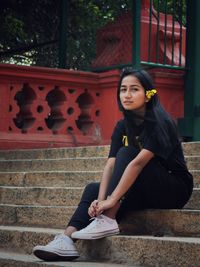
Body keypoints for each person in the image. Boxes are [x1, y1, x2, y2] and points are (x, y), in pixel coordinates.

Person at [33, 68, 193, 261]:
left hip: (174, 189)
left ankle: (108, 218)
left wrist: (111, 202)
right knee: (93, 188)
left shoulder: (161, 122)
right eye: (123, 89)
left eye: (134, 89)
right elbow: (110, 165)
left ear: (148, 94)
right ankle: (66, 240)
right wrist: (100, 201)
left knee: (127, 152)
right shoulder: (122, 126)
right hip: (144, 188)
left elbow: (137, 164)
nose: (127, 95)